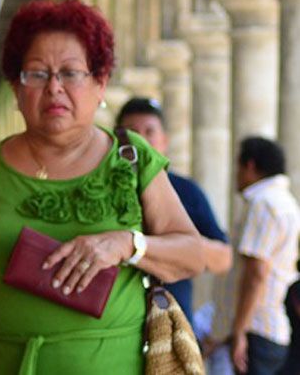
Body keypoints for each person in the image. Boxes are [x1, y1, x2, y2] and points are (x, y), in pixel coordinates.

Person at [0, 0, 204, 374]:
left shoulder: (132, 159)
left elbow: (192, 254)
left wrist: (127, 244)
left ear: (100, 84)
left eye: (71, 73)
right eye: (36, 74)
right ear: (16, 91)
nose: (54, 88)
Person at [116, 97, 233, 321]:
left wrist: (170, 243)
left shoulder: (186, 190)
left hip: (172, 325)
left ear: (164, 141)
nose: (140, 140)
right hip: (117, 321)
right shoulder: (102, 187)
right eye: (132, 132)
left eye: (149, 132)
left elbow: (223, 259)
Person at [230, 137, 300, 375]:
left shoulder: (263, 203)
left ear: (249, 165)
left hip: (259, 329)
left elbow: (257, 274)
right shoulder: (286, 202)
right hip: (274, 328)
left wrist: (239, 331)